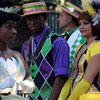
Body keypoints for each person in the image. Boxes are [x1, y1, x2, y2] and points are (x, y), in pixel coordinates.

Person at [21, 1, 70, 100]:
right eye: (29, 19)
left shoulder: (57, 42)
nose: (32, 22)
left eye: (37, 18)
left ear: (45, 18)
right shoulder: (25, 45)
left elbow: (61, 77)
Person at [66, 0, 100, 100]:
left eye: (85, 23)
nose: (81, 27)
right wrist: (61, 98)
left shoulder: (98, 47)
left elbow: (86, 82)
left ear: (96, 24)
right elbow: (71, 77)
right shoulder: (80, 47)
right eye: (79, 23)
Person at [0, 6, 35, 100]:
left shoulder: (17, 56)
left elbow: (28, 79)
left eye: (15, 27)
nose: (14, 31)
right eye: (9, 27)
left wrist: (27, 85)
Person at [57, 2, 86, 100]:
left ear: (69, 19)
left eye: (61, 15)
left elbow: (72, 67)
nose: (58, 19)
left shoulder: (80, 36)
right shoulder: (64, 36)